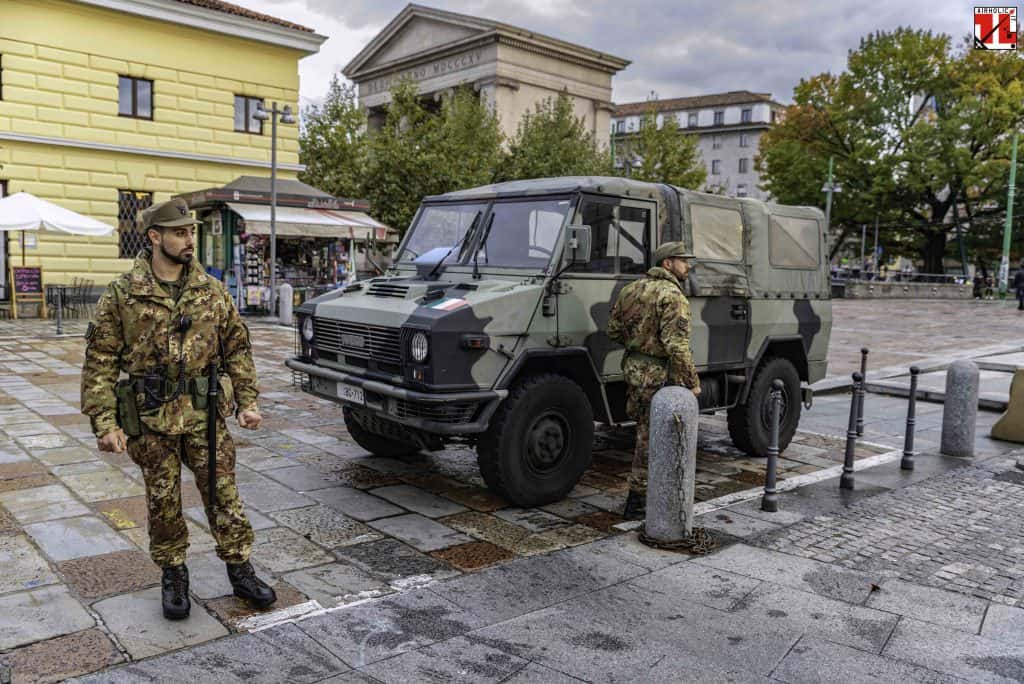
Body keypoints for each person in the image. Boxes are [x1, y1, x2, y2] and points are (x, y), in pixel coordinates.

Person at [81, 198, 276, 620]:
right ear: (155, 237)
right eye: (180, 233)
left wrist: (249, 401)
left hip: (205, 416)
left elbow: (238, 348)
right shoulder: (123, 294)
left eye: (192, 232)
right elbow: (99, 360)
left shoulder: (211, 290)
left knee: (224, 495)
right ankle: (174, 574)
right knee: (163, 501)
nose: (190, 240)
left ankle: (240, 569)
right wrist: (104, 421)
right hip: (151, 419)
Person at [608, 242, 701, 520]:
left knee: (642, 432)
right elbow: (677, 346)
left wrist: (639, 344)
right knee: (649, 440)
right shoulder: (672, 296)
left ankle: (647, 495)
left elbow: (612, 330)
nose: (688, 265)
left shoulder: (631, 289)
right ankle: (637, 501)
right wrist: (693, 382)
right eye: (682, 260)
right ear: (667, 264)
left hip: (635, 371)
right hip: (660, 376)